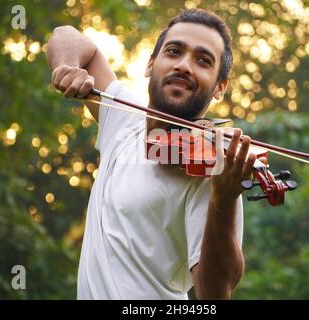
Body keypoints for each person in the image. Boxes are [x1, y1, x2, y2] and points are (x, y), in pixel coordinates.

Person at [46, 8, 257, 300]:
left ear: (220, 87)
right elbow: (66, 36)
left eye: (203, 60)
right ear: (150, 64)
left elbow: (213, 296)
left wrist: (223, 200)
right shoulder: (125, 121)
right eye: (173, 51)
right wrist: (67, 65)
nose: (184, 65)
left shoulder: (211, 173)